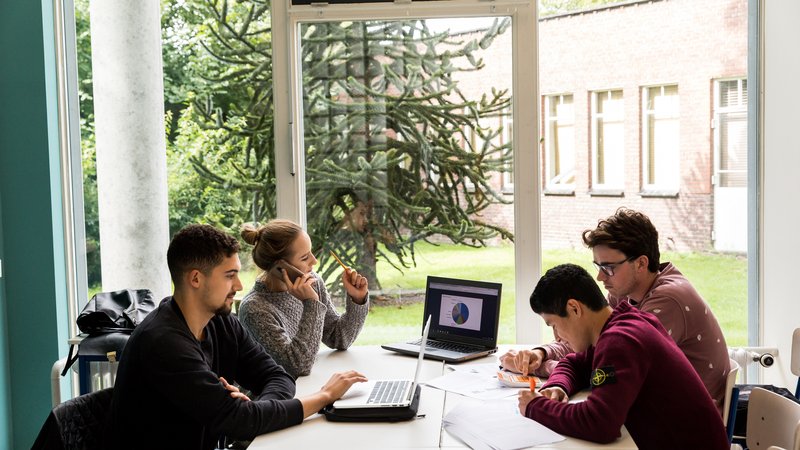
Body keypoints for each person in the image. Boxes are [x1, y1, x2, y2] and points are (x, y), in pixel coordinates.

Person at [109, 224, 366, 450]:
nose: (239, 286)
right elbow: (240, 421)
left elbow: (277, 376)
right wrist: (324, 396)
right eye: (229, 275)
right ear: (196, 279)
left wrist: (252, 411)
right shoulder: (164, 343)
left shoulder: (221, 322)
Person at [500, 207, 730, 414]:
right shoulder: (625, 292)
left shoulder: (668, 301)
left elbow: (605, 371)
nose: (600, 277)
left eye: (608, 267)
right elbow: (589, 341)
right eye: (598, 266)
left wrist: (543, 369)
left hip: (682, 422)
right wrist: (541, 353)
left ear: (641, 263)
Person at [518, 263, 729, 448]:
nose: (557, 336)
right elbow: (574, 363)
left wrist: (535, 406)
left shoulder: (620, 341)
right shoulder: (621, 324)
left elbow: (600, 423)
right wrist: (558, 386)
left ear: (574, 308)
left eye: (553, 324)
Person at [238, 219, 369, 378]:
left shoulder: (312, 282)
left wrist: (357, 299)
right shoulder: (254, 309)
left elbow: (339, 338)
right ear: (281, 267)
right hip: (276, 392)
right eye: (305, 257)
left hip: (308, 387)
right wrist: (311, 304)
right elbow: (297, 367)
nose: (314, 261)